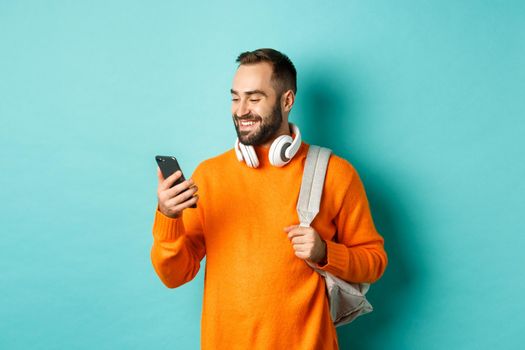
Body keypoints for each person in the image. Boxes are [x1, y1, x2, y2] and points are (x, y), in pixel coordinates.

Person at [151, 48, 388, 350]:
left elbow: (375, 262)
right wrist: (168, 216)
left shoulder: (334, 173)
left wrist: (325, 251)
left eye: (254, 97)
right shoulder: (210, 175)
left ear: (287, 100)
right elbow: (174, 276)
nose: (241, 109)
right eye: (235, 97)